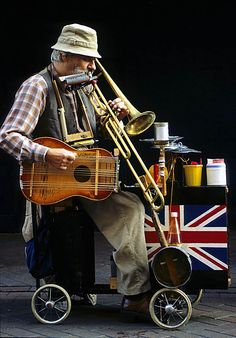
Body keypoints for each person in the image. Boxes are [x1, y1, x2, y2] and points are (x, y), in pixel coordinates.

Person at [0, 23, 152, 318]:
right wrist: (45, 153)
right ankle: (75, 284)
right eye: (87, 58)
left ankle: (135, 293)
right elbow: (8, 135)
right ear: (67, 55)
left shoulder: (84, 86)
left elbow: (101, 137)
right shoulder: (37, 86)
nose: (93, 65)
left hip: (86, 178)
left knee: (130, 208)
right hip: (52, 183)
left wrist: (116, 118)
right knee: (110, 216)